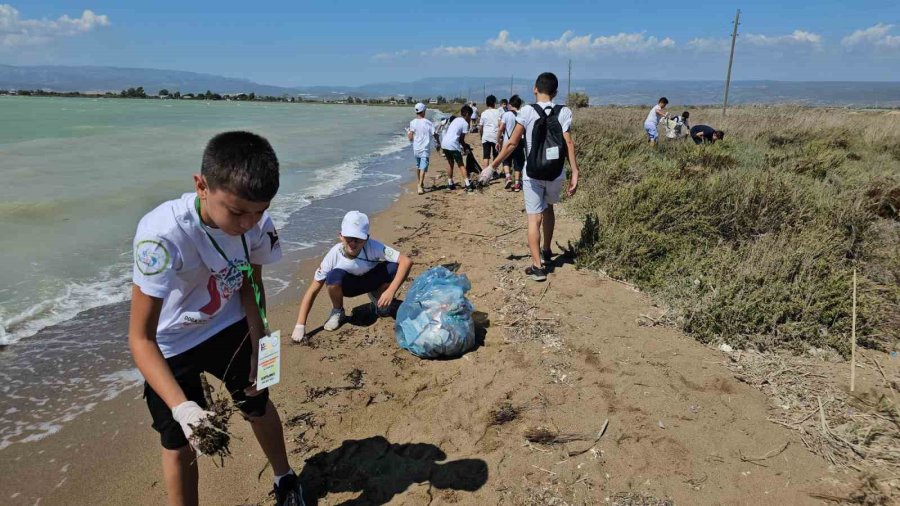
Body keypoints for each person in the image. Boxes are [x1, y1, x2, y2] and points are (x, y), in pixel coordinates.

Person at [129, 131, 305, 506]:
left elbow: (251, 284)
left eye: (259, 211)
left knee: (257, 403)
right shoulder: (161, 236)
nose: (248, 223)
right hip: (170, 341)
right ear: (201, 185)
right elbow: (141, 339)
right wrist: (183, 408)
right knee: (179, 440)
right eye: (238, 212)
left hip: (228, 324)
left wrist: (261, 343)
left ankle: (285, 476)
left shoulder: (258, 222)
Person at [491, 73, 579, 282]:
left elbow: (512, 143)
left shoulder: (527, 111)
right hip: (556, 172)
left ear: (535, 89)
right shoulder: (564, 111)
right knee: (548, 208)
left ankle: (538, 266)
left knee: (534, 218)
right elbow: (568, 143)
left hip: (533, 173)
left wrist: (493, 166)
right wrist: (575, 171)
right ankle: (547, 250)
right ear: (556, 92)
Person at [292, 211, 412, 339]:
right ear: (341, 236)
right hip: (350, 287)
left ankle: (379, 299)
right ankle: (338, 311)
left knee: (395, 266)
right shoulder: (333, 255)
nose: (353, 243)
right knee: (333, 276)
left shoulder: (374, 246)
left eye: (358, 239)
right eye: (349, 237)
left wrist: (391, 291)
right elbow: (313, 290)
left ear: (366, 238)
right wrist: (300, 325)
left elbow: (406, 261)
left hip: (372, 280)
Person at [440, 104, 474, 191]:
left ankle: (450, 183)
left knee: (450, 163)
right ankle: (467, 184)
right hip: (452, 145)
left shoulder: (456, 120)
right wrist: (466, 148)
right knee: (461, 164)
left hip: (444, 144)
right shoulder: (465, 123)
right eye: (470, 116)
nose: (470, 118)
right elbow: (461, 140)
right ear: (467, 114)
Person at [497, 94, 525, 191]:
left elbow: (501, 129)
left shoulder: (506, 114)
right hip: (519, 142)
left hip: (507, 142)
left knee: (505, 160)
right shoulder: (522, 114)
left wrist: (498, 140)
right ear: (519, 104)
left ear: (510, 104)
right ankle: (517, 183)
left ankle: (508, 177)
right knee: (518, 162)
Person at [407, 103, 435, 195]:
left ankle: (420, 183)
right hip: (424, 149)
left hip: (416, 148)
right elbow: (434, 134)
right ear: (423, 111)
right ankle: (419, 186)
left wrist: (408, 133)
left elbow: (410, 138)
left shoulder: (412, 122)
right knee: (423, 167)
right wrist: (438, 142)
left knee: (419, 166)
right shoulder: (428, 122)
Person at [478, 95, 502, 180]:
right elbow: (500, 124)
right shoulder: (498, 112)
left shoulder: (484, 113)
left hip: (486, 136)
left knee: (486, 156)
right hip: (495, 136)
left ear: (486, 103)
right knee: (496, 156)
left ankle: (485, 175)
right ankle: (493, 172)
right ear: (494, 103)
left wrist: (481, 136)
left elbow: (481, 127)